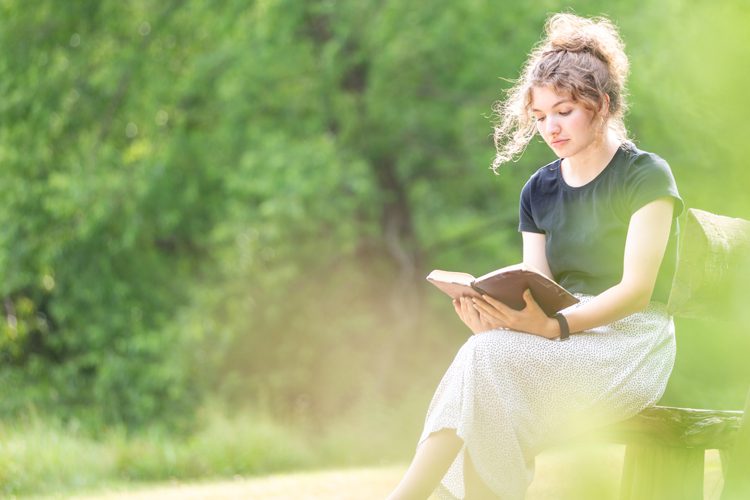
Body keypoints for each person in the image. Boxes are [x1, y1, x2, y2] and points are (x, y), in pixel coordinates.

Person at [387, 12, 683, 500]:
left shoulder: (645, 176)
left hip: (632, 344)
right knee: (486, 359)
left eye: (564, 111)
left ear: (601, 105)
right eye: (540, 116)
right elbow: (538, 289)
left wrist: (552, 330)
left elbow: (636, 293)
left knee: (485, 368)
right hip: (562, 339)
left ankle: (411, 495)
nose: (551, 127)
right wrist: (503, 320)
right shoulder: (538, 189)